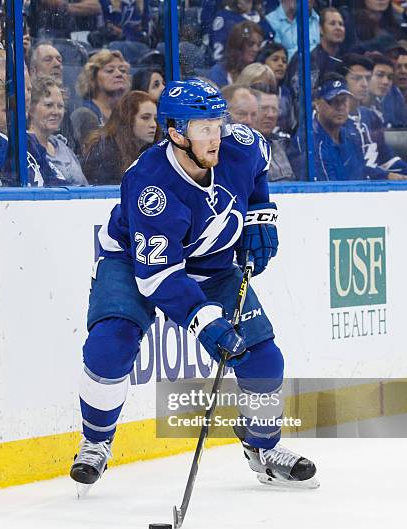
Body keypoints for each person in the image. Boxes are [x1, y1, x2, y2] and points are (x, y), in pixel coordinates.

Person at [70, 78, 318, 491]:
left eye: (216, 122)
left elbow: (258, 166)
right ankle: (95, 442)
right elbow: (159, 277)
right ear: (175, 133)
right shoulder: (151, 185)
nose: (215, 135)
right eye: (202, 127)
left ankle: (263, 448)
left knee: (263, 360)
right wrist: (206, 324)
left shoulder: (238, 144)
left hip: (213, 265)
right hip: (134, 262)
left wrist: (261, 213)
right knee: (110, 344)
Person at [340, 53, 407, 180]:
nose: (364, 84)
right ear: (342, 81)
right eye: (357, 78)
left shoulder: (370, 116)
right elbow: (351, 166)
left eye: (367, 78)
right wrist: (387, 175)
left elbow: (386, 158)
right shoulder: (336, 121)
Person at [82, 89, 160, 185]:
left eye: (155, 119)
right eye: (145, 118)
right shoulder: (105, 152)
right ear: (128, 119)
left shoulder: (152, 152)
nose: (154, 125)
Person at [28, 77, 88, 186]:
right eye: (49, 105)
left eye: (60, 106)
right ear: (31, 109)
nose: (56, 112)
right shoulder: (26, 150)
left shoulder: (64, 148)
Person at [71, 49, 131, 154]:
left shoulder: (129, 113)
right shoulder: (84, 114)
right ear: (93, 77)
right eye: (109, 70)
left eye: (123, 70)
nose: (119, 74)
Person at [287, 7, 345, 102]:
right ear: (321, 29)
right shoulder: (306, 59)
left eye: (341, 24)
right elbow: (299, 97)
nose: (338, 28)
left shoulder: (346, 60)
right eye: (332, 24)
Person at [208, 21, 264, 87]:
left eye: (259, 45)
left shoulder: (261, 73)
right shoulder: (219, 72)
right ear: (238, 44)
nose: (256, 49)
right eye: (250, 44)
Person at [255, 89, 295, 181]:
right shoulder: (243, 150)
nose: (270, 115)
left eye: (274, 109)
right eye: (264, 109)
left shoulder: (284, 146)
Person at [257, 41, 295, 134]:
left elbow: (291, 124)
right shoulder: (253, 91)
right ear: (263, 62)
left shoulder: (286, 93)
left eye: (284, 61)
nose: (281, 64)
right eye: (275, 59)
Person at [368, 53, 407, 127]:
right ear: (367, 76)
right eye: (380, 75)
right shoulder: (352, 107)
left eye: (390, 77)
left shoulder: (396, 98)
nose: (386, 82)